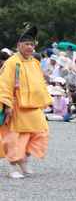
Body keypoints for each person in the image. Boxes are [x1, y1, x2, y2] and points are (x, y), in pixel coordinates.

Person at [0, 26, 53, 178]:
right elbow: (4, 84)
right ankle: (12, 167)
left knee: (41, 134)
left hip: (34, 106)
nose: (30, 47)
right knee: (15, 137)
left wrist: (43, 101)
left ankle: (24, 160)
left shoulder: (35, 62)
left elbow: (40, 83)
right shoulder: (11, 63)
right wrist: (7, 105)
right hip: (17, 106)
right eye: (26, 44)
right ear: (19, 46)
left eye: (32, 44)